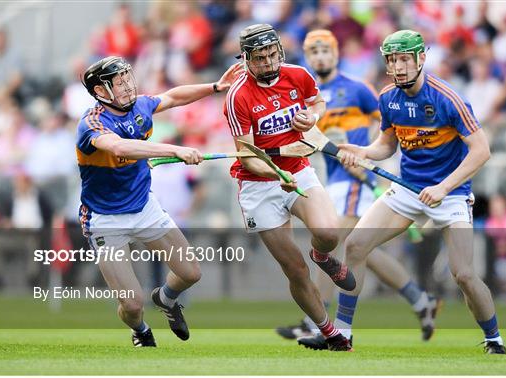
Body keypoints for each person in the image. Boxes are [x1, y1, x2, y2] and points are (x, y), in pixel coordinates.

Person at [337, 30, 506, 354]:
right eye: (392, 61)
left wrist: (444, 187)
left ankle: (494, 339)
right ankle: (343, 334)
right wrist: (360, 151)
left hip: (451, 192)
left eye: (404, 59)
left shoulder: (448, 98)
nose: (398, 67)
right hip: (407, 189)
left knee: (464, 274)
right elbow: (386, 145)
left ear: (421, 59)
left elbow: (481, 151)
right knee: (356, 245)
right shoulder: (388, 98)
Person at [275, 30, 441, 349]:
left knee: (333, 246)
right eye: (314, 52)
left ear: (336, 53)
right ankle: (421, 300)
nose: (320, 57)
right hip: (332, 177)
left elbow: (390, 129)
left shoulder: (357, 90)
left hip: (356, 178)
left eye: (326, 50)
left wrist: (363, 157)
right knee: (359, 249)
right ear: (307, 58)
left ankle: (314, 322)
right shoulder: (308, 96)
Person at [77, 56, 242, 347]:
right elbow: (118, 146)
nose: (128, 85)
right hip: (105, 219)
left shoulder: (140, 105)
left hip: (144, 207)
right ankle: (140, 330)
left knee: (191, 272)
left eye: (128, 77)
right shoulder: (91, 124)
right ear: (101, 92)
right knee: (132, 305)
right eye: (119, 81)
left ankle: (165, 298)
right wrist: (174, 149)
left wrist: (216, 86)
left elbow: (173, 97)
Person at [224, 24, 354, 351]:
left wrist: (312, 117)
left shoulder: (298, 75)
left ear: (279, 51)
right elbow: (249, 156)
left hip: (298, 167)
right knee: (295, 269)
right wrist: (274, 175)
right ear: (246, 59)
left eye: (271, 55)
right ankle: (329, 332)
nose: (267, 63)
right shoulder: (237, 96)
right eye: (259, 58)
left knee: (329, 233)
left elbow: (317, 103)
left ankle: (322, 256)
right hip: (259, 185)